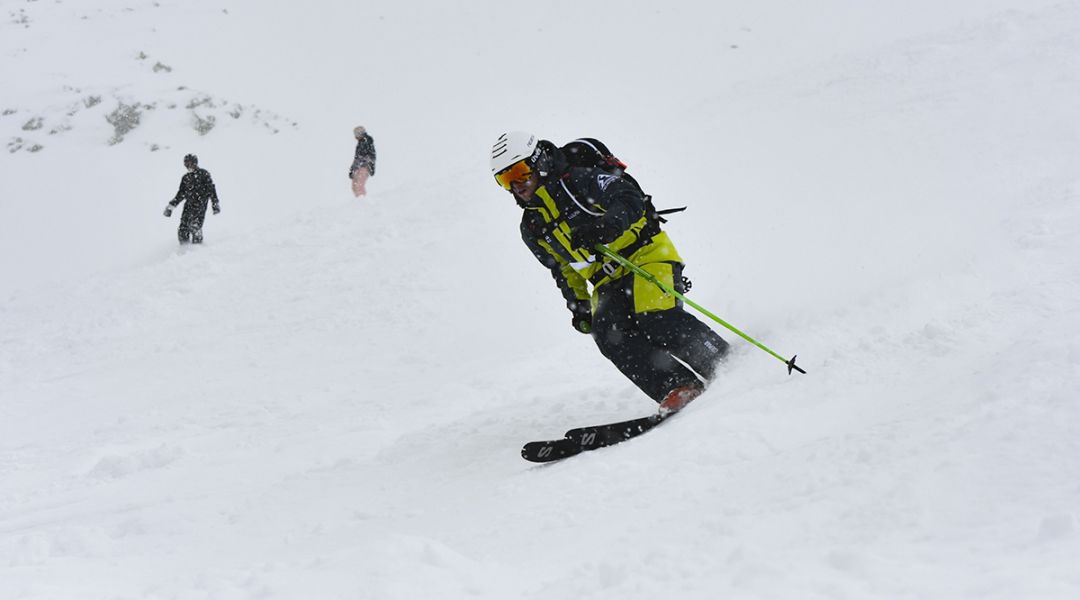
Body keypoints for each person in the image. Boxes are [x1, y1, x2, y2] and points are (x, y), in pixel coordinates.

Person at [490, 132, 730, 414]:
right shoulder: (532, 226)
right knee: (608, 334)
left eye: (519, 172)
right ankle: (678, 385)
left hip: (646, 255)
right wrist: (579, 305)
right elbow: (563, 268)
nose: (516, 185)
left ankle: (721, 362)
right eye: (505, 179)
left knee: (655, 316)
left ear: (538, 162)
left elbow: (628, 198)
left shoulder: (579, 181)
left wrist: (605, 226)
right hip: (606, 280)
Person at [163, 154, 220, 244]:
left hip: (200, 205)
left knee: (195, 226)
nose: (188, 166)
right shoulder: (186, 178)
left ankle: (197, 249)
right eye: (186, 164)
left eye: (190, 163)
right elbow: (180, 194)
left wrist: (215, 204)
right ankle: (184, 249)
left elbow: (211, 190)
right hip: (188, 206)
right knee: (182, 229)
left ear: (195, 163)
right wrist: (171, 207)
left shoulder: (203, 174)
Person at [349, 126, 376, 197]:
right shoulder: (360, 143)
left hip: (365, 167)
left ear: (360, 134)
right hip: (359, 167)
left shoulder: (367, 142)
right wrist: (352, 169)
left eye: (356, 134)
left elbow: (370, 156)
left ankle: (362, 200)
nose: (355, 137)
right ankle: (359, 199)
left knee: (359, 185)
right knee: (354, 186)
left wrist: (369, 165)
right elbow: (357, 158)